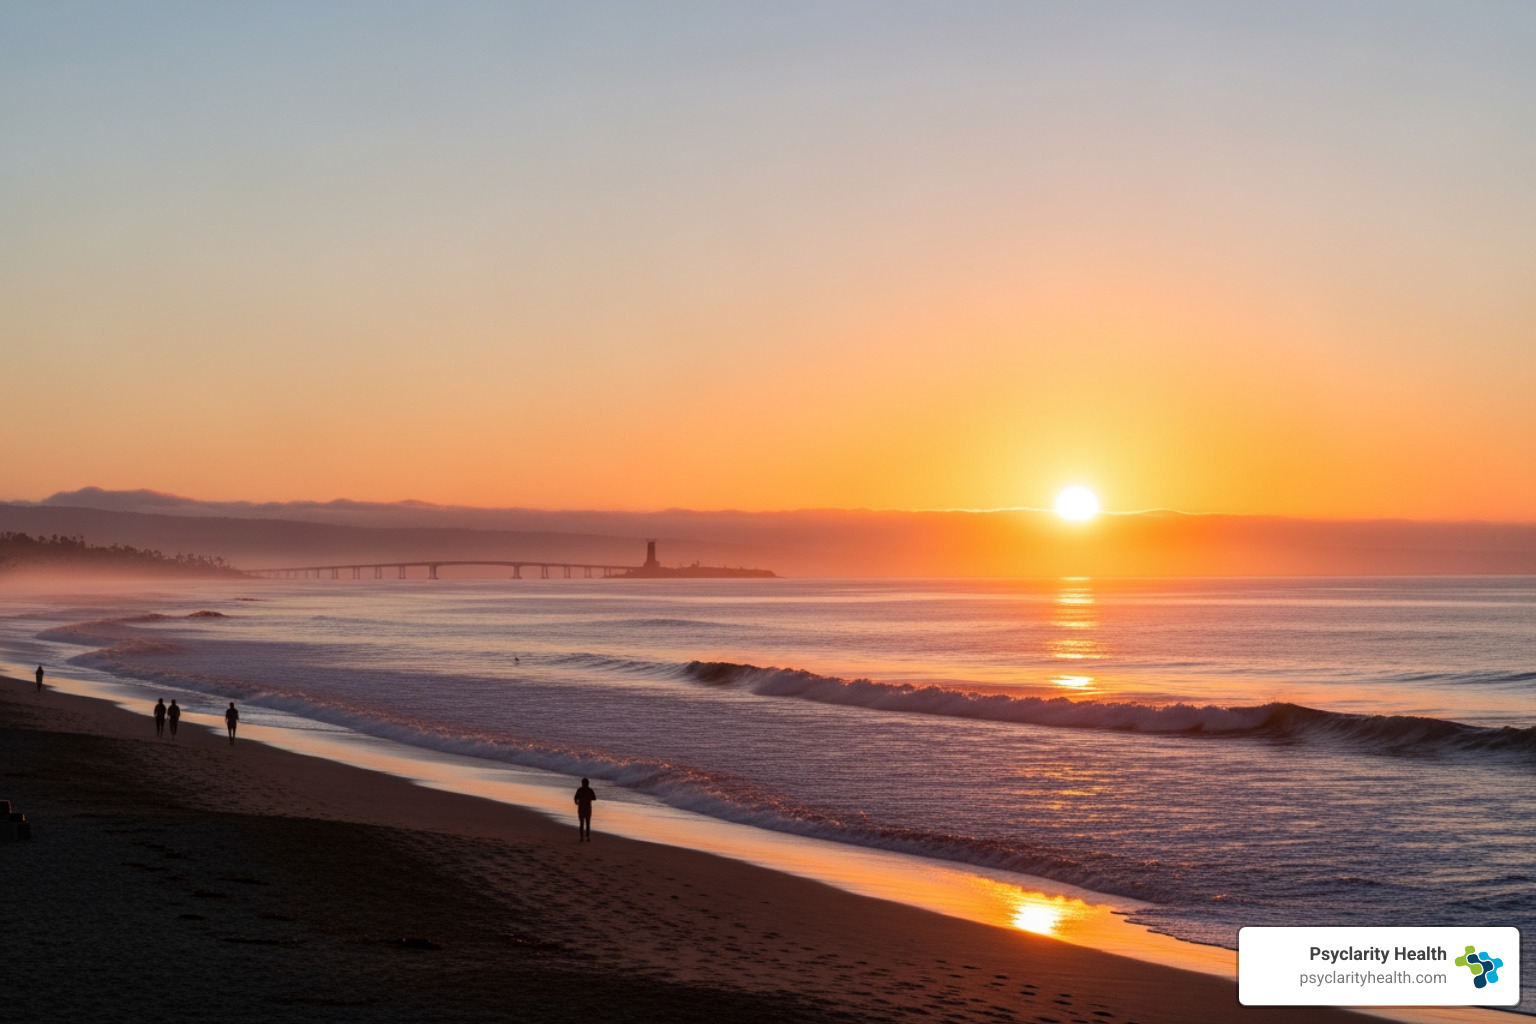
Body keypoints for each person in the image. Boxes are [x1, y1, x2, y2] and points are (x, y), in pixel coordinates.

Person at [574, 777, 597, 842]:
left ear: (582, 783)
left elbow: (575, 797)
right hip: (588, 808)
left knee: (581, 823)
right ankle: (588, 837)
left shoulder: (580, 790)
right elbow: (594, 798)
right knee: (588, 823)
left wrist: (576, 802)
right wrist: (588, 798)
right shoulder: (590, 790)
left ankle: (581, 837)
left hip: (581, 808)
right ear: (588, 783)